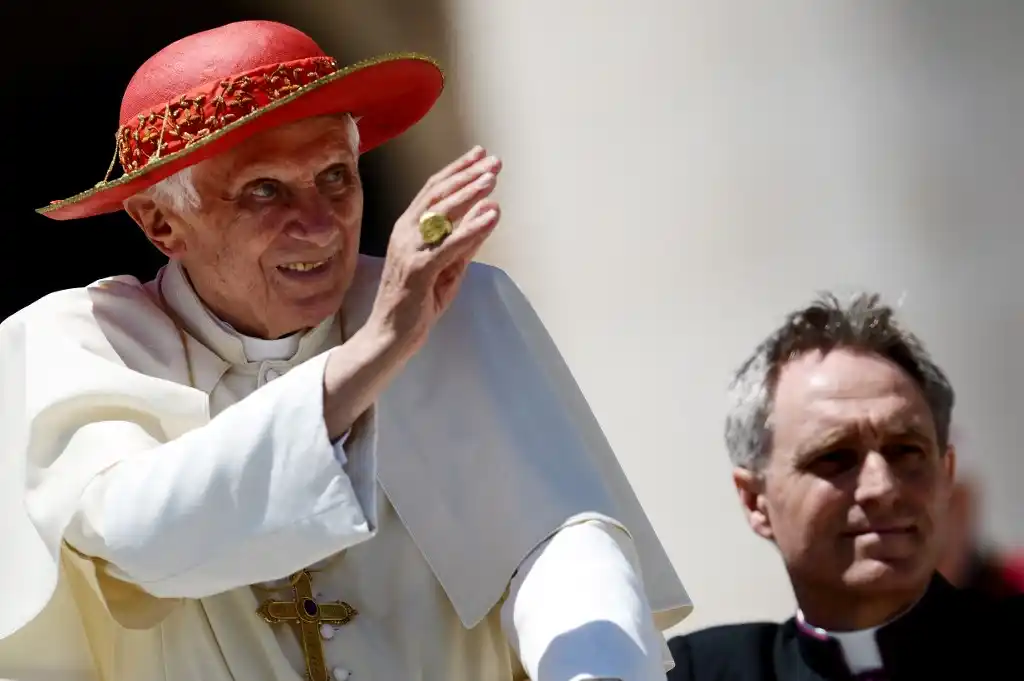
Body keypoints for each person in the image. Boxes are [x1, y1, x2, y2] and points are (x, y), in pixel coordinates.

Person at [0, 20, 692, 681]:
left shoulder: (457, 309)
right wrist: (378, 350)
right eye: (265, 190)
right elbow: (139, 539)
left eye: (335, 175)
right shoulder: (81, 340)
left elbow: (563, 541)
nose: (320, 224)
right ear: (160, 222)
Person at [666, 293, 1022, 680]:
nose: (881, 487)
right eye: (834, 457)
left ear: (946, 475)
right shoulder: (694, 673)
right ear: (755, 501)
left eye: (906, 451)